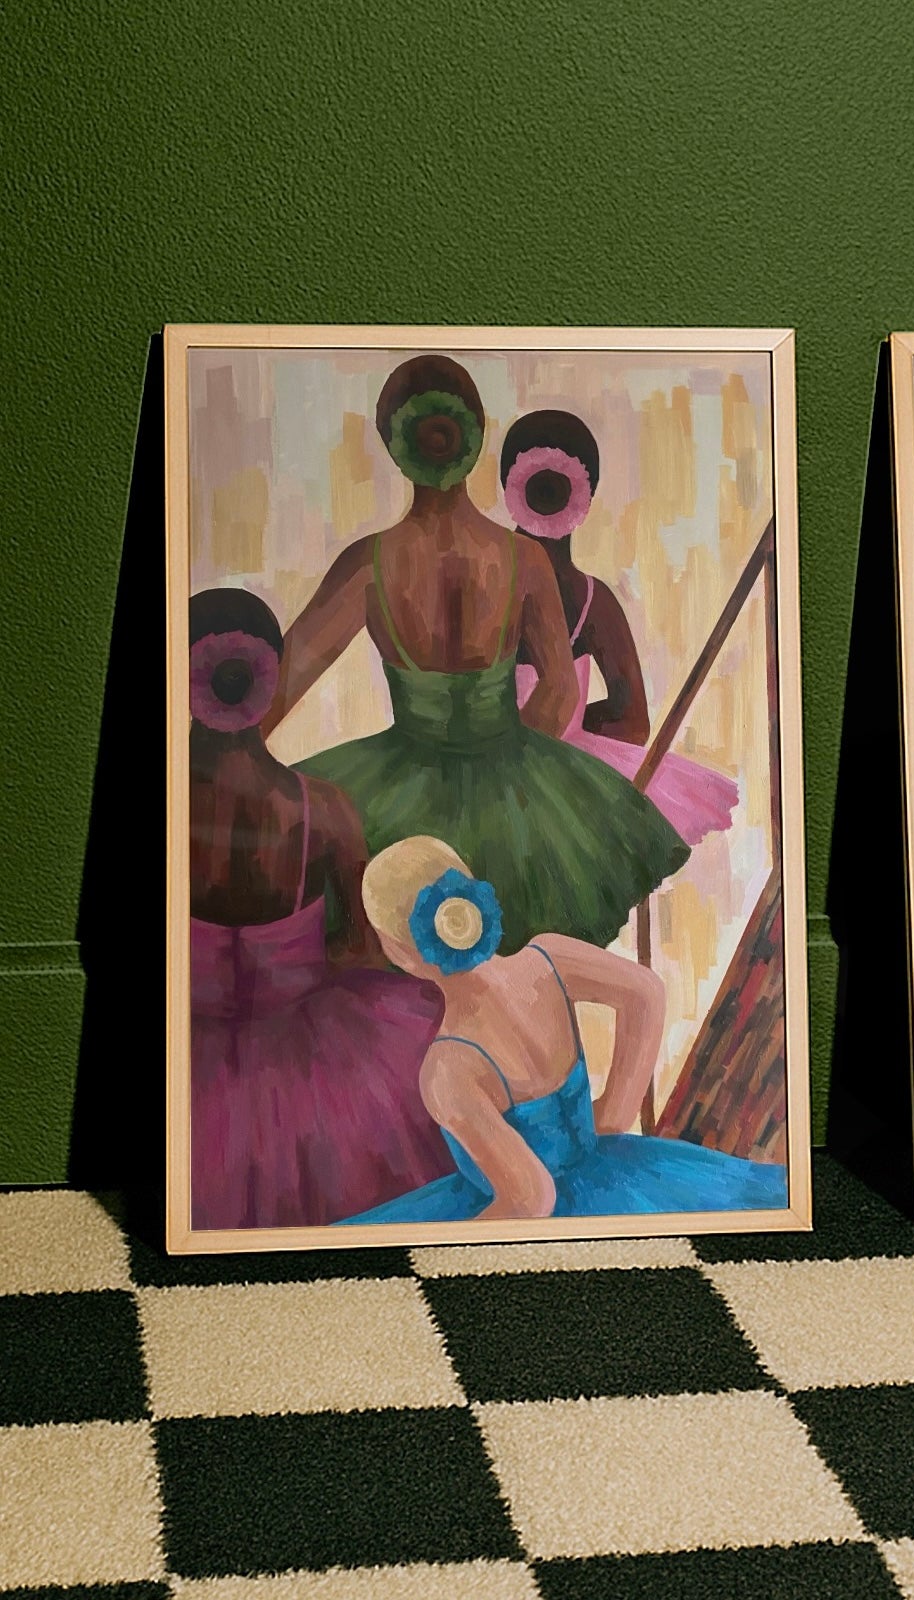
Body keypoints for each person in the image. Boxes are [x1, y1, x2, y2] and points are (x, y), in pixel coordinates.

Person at [263, 355, 690, 952]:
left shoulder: (370, 565)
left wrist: (229, 770)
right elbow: (559, 690)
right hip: (512, 775)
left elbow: (278, 686)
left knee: (401, 944)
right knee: (512, 960)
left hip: (399, 783)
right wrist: (513, 775)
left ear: (395, 449)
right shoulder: (523, 559)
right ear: (477, 440)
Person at [339, 836, 789, 1223]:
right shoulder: (548, 959)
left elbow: (531, 1199)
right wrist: (614, 1114)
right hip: (616, 1173)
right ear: (470, 896)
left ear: (401, 953)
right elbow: (646, 992)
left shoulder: (448, 1069)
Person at [187, 588, 451, 1230]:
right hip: (309, 1043)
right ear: (270, 680)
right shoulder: (325, 808)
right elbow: (363, 947)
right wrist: (297, 966)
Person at [500, 408, 738, 846]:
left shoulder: (590, 601)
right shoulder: (582, 599)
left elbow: (634, 721)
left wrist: (568, 727)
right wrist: (570, 726)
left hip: (539, 779)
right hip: (514, 773)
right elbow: (631, 721)